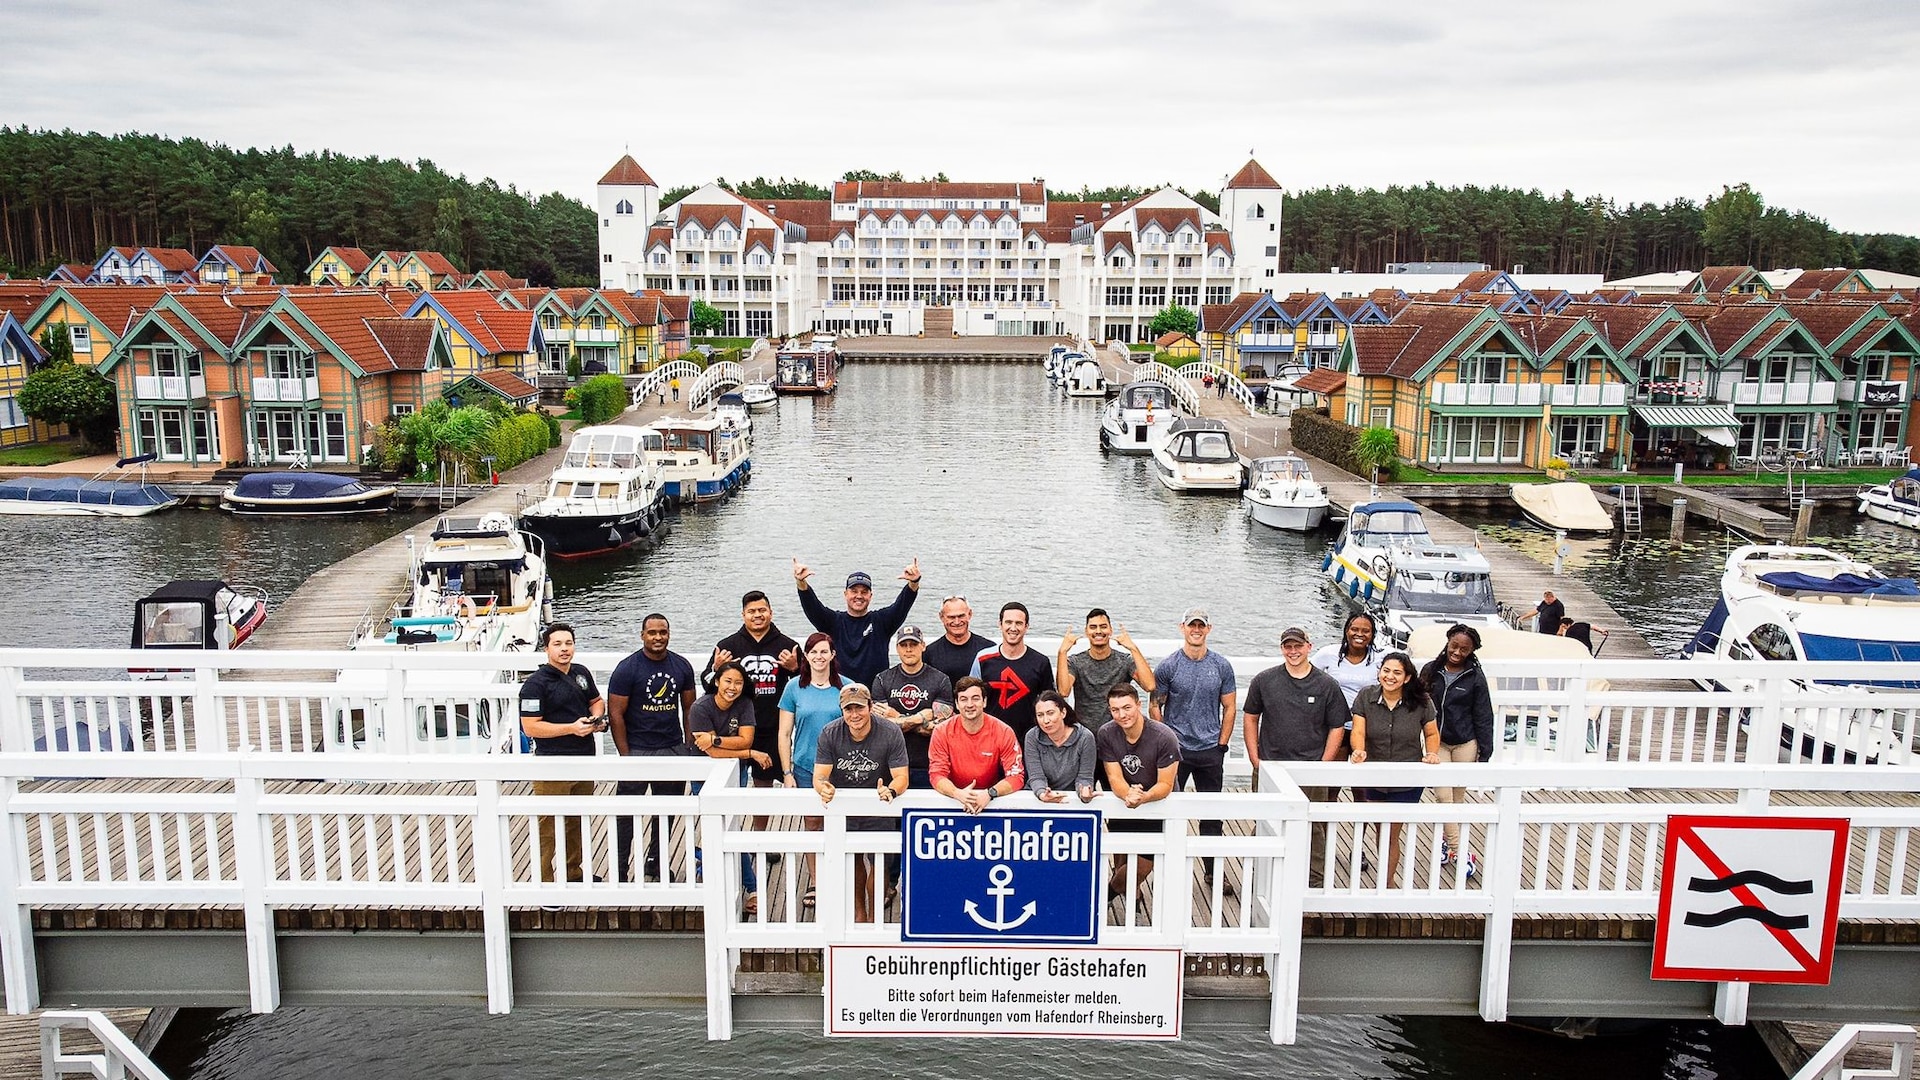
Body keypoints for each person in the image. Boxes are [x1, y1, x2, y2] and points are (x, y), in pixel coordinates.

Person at [1240, 626, 1349, 886]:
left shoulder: (1326, 685)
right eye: (1288, 646)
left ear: (1309, 647)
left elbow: (1337, 726)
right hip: (1271, 765)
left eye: (1298, 646)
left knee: (1313, 827)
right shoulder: (1264, 680)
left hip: (1310, 768)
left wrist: (1324, 764)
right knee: (1267, 821)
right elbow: (1250, 717)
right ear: (1282, 649)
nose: (1293, 651)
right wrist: (1255, 759)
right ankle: (1262, 874)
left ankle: (1314, 879)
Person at [608, 613, 698, 883]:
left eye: (663, 632)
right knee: (626, 813)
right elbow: (615, 714)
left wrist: (688, 746)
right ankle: (620, 869)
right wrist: (626, 756)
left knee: (666, 811)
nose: (658, 637)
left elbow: (689, 709)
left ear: (669, 634)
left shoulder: (681, 666)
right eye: (652, 633)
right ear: (642, 635)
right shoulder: (628, 668)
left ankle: (655, 864)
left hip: (671, 747)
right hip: (637, 748)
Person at [1150, 608, 1238, 872]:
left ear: (1208, 629)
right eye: (1192, 625)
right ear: (1182, 628)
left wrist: (1222, 744)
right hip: (1177, 751)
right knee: (1169, 808)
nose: (1196, 630)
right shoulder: (1168, 665)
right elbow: (1155, 706)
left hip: (1211, 749)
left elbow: (1230, 707)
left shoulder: (1221, 665)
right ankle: (1166, 867)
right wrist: (1166, 741)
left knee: (1211, 814)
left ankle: (1212, 869)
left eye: (1201, 625)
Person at [812, 683, 908, 923]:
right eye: (848, 709)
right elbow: (820, 776)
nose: (854, 715)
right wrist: (824, 788)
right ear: (842, 711)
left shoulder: (890, 732)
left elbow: (901, 776)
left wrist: (891, 791)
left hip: (879, 803)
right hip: (845, 805)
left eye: (859, 708)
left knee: (880, 862)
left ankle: (876, 914)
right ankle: (860, 914)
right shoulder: (829, 732)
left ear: (870, 707)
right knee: (852, 859)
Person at [518, 623, 604, 884]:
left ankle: (573, 873)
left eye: (568, 643)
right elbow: (530, 726)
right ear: (546, 649)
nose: (564, 649)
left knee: (575, 821)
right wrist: (571, 729)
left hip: (583, 759)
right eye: (558, 644)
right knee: (549, 826)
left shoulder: (581, 673)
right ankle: (545, 881)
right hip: (551, 763)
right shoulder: (534, 685)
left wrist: (596, 719)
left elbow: (596, 701)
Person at [1349, 652, 1440, 888]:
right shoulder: (1365, 696)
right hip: (1374, 774)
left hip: (1406, 776)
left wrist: (1431, 754)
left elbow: (1431, 733)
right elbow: (1358, 730)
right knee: (1381, 826)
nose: (1390, 676)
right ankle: (1385, 878)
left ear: (1407, 677)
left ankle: (1386, 882)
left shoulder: (1422, 702)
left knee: (1391, 831)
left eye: (1397, 672)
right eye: (1386, 671)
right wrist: (1358, 750)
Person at [690, 662, 773, 914]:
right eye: (727, 681)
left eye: (738, 682)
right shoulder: (700, 708)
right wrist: (748, 752)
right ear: (717, 681)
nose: (733, 687)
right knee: (718, 825)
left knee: (731, 825)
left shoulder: (745, 703)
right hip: (703, 771)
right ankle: (753, 887)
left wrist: (717, 739)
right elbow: (710, 751)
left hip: (735, 769)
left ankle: (703, 860)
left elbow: (744, 738)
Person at [700, 591, 800, 794]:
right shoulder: (728, 645)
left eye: (762, 610)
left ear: (771, 612)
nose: (757, 615)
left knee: (764, 783)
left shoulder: (788, 645)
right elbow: (707, 684)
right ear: (743, 615)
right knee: (732, 782)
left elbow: (807, 683)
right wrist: (715, 669)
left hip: (773, 727)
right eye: (751, 611)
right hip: (735, 729)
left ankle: (761, 826)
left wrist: (795, 668)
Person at [1419, 624, 1496, 876]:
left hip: (1465, 742)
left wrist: (1485, 752)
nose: (1457, 652)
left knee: (1457, 799)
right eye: (1454, 646)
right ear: (1448, 642)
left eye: (1464, 649)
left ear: (1472, 651)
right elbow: (1416, 704)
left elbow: (1483, 715)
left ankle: (1445, 842)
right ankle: (1461, 851)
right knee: (1443, 796)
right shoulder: (1430, 671)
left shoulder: (1475, 677)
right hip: (1436, 742)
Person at [1096, 684, 1180, 909]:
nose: (1122, 715)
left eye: (1127, 708)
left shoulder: (1164, 737)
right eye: (1115, 710)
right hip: (1126, 802)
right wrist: (1129, 796)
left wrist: (1143, 797)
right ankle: (1130, 896)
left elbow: (1166, 783)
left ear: (1139, 705)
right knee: (1122, 857)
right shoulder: (1106, 733)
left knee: (1142, 865)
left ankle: (1103, 898)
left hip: (1157, 805)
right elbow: (1114, 778)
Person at [778, 632, 844, 907]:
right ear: (806, 656)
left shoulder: (846, 687)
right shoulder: (794, 688)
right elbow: (784, 733)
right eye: (813, 652)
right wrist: (787, 773)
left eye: (824, 651)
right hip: (805, 766)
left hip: (841, 769)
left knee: (841, 824)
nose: (819, 657)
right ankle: (816, 882)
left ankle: (840, 878)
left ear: (832, 655)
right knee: (813, 825)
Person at [793, 558, 921, 686]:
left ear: (871, 596)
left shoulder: (882, 621)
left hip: (876, 695)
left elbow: (902, 605)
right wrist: (801, 582)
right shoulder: (833, 622)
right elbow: (812, 607)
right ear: (845, 594)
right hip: (840, 693)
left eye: (864, 592)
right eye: (854, 591)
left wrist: (914, 582)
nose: (859, 596)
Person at [869, 625, 953, 790]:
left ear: (923, 646)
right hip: (891, 763)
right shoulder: (882, 680)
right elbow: (882, 728)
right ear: (897, 648)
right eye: (904, 645)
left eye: (913, 644)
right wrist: (920, 717)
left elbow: (940, 729)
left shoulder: (940, 680)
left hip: (928, 762)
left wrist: (897, 718)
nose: (909, 650)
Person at [928, 676, 1024, 814]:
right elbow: (936, 774)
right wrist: (957, 793)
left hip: (991, 803)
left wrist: (990, 794)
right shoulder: (941, 731)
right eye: (963, 699)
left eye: (975, 698)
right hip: (953, 802)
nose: (970, 704)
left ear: (984, 702)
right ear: (956, 703)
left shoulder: (1003, 731)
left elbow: (1016, 776)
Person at [1056, 608, 1155, 731]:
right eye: (1093, 627)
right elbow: (1063, 691)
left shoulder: (1124, 661)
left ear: (1110, 630)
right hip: (1085, 734)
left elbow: (1149, 686)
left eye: (1103, 626)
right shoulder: (1075, 662)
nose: (1098, 631)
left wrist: (1133, 648)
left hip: (1118, 732)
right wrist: (1062, 652)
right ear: (1086, 631)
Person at [970, 601, 1054, 742]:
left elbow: (1050, 702)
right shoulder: (982, 659)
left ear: (1026, 627)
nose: (1013, 628)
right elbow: (971, 697)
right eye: (1008, 622)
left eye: (1019, 623)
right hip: (990, 737)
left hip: (1029, 739)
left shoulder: (1040, 662)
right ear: (1000, 624)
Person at [1023, 690, 1096, 803]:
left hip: (1070, 799)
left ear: (1063, 713)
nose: (1046, 720)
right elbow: (1036, 776)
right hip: (1037, 798)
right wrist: (1043, 794)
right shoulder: (1032, 737)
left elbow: (1085, 778)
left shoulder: (1085, 737)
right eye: (1040, 715)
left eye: (1050, 713)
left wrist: (1084, 791)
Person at [1310, 612, 1384, 713]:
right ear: (1346, 631)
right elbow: (1306, 677)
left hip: (1368, 719)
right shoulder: (1328, 653)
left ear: (1372, 635)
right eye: (1354, 629)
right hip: (1334, 719)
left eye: (1366, 631)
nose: (1359, 634)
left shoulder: (1382, 656)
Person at [924, 594, 993, 687]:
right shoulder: (929, 654)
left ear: (970, 614)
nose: (957, 622)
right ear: (941, 617)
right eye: (951, 617)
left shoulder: (988, 649)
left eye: (961, 616)